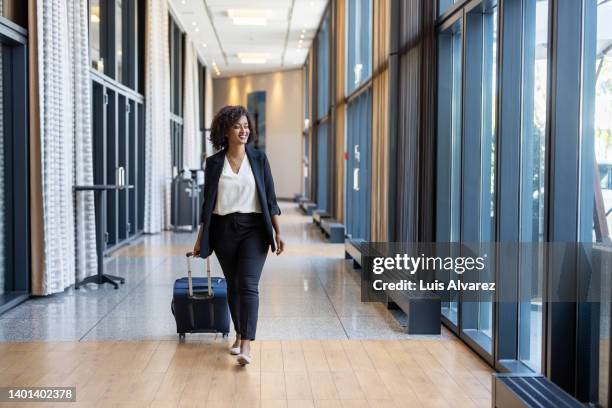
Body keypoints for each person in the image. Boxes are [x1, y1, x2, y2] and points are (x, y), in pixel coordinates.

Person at [192, 105, 284, 366]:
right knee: (233, 284)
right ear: (225, 131)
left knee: (248, 285)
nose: (243, 130)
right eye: (237, 126)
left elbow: (270, 199)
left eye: (246, 126)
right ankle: (239, 332)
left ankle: (246, 344)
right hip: (223, 230)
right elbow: (207, 204)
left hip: (254, 229)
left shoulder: (259, 159)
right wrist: (201, 238)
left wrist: (278, 232)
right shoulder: (213, 163)